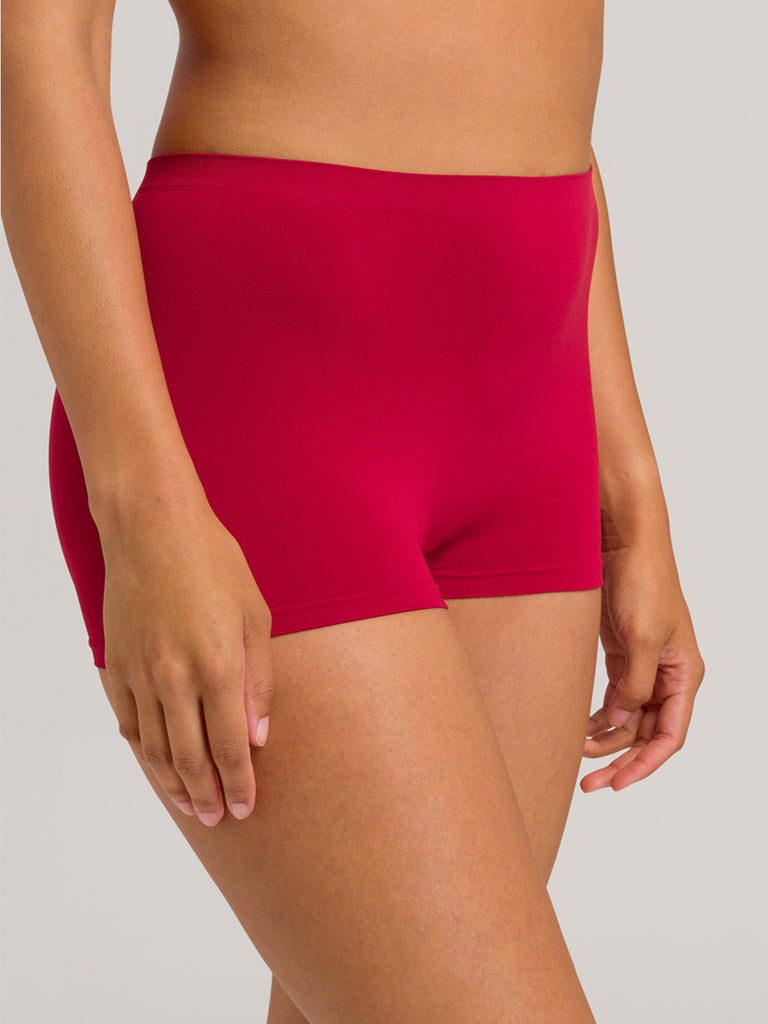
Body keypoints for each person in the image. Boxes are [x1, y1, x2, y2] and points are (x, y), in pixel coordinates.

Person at [2, 1, 705, 1021]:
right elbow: (39, 42)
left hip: (535, 403)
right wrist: (144, 514)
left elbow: (537, 98)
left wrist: (632, 499)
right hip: (265, 402)